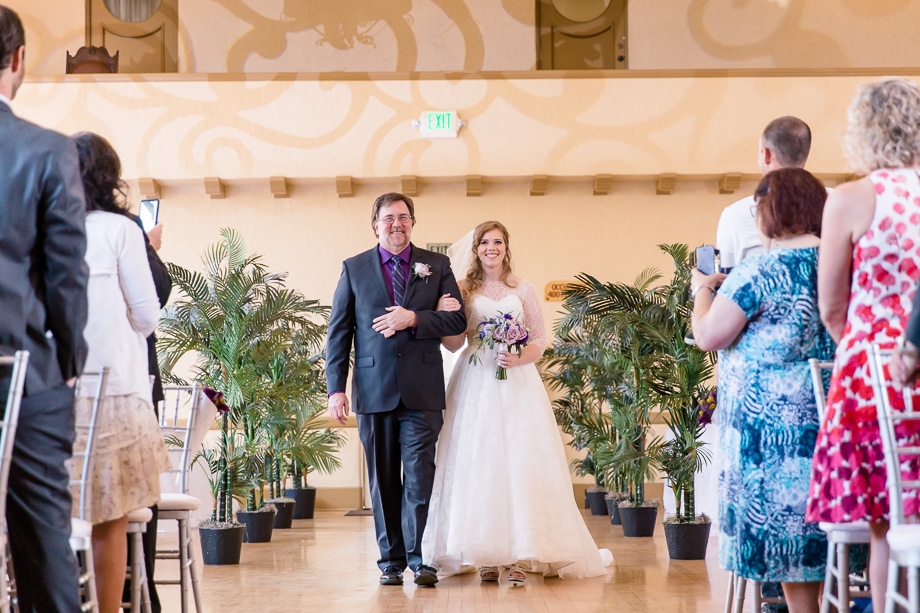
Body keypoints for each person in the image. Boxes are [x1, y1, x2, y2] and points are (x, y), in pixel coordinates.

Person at [421, 220, 613, 584]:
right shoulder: (463, 288)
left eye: (497, 241)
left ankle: (518, 558)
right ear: (476, 249)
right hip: (476, 380)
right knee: (479, 462)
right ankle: (485, 557)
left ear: (506, 247)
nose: (491, 248)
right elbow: (454, 343)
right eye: (484, 242)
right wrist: (445, 312)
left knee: (519, 462)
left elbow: (539, 339)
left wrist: (517, 357)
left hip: (517, 383)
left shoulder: (524, 289)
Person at [691, 169, 834, 613]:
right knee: (829, 543)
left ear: (772, 212)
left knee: (789, 547)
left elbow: (709, 335)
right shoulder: (840, 265)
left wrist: (701, 289)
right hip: (834, 426)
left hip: (775, 436)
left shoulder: (760, 271)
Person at [805, 77, 920, 613]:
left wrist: (863, 353)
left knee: (884, 522)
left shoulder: (850, 199)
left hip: (872, 375)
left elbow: (831, 306)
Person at [325, 192, 467, 587]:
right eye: (389, 218)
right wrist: (336, 389)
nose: (396, 225)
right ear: (376, 225)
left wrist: (414, 318)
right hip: (373, 390)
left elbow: (457, 322)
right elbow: (339, 333)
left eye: (403, 217)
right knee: (383, 480)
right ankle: (390, 561)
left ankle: (421, 559)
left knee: (420, 477)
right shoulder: (354, 268)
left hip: (422, 390)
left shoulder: (437, 265)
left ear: (412, 223)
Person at [0, 6, 89, 611]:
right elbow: (66, 278)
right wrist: (70, 360)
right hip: (22, 375)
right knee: (42, 543)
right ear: (18, 60)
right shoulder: (46, 152)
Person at [72, 131, 172, 613]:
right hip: (116, 391)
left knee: (56, 512)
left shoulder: (44, 224)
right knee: (111, 514)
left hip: (56, 387)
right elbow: (149, 314)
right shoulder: (121, 229)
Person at [716, 116, 813, 270]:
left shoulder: (735, 215)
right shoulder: (835, 201)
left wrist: (701, 283)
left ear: (766, 154)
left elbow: (725, 277)